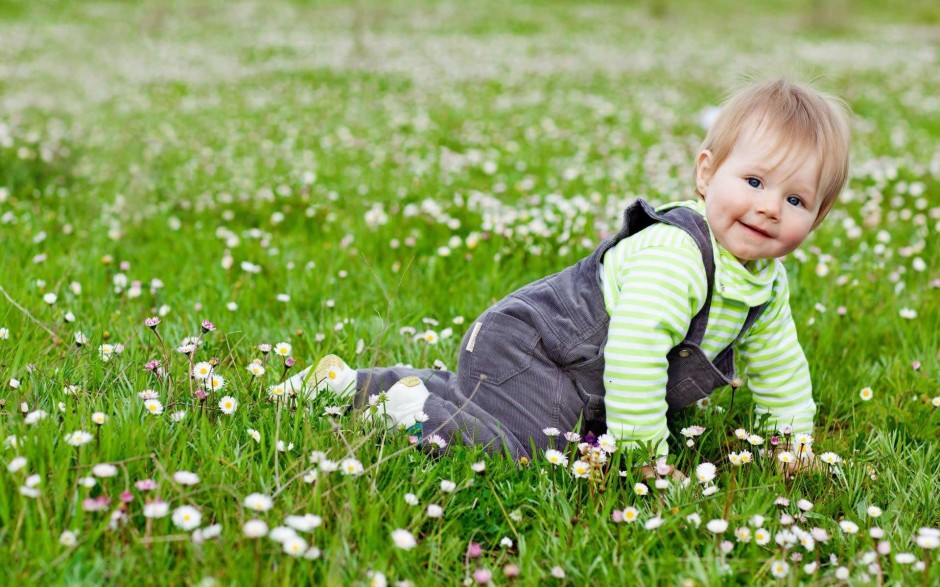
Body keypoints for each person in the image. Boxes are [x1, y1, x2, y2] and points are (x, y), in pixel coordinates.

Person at [284, 78, 851, 466]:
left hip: (581, 380)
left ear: (818, 216)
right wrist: (643, 458)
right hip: (534, 348)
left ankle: (353, 383)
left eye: (796, 200)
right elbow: (633, 351)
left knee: (544, 431)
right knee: (527, 449)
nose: (770, 207)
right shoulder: (678, 256)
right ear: (707, 173)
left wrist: (794, 445)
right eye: (754, 182)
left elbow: (780, 367)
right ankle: (405, 407)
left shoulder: (765, 285)